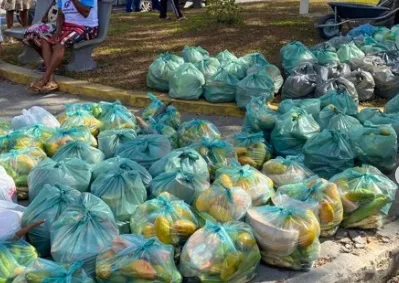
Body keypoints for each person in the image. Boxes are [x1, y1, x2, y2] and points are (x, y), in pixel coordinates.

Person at [28, 0, 99, 93]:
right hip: (67, 27)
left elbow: (85, 12)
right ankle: (51, 79)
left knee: (60, 44)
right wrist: (58, 30)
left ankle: (44, 79)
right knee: (45, 40)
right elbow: (61, 14)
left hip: (87, 27)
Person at [23, 0, 59, 72]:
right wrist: (46, 15)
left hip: (60, 24)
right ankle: (48, 61)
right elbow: (54, 3)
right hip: (51, 21)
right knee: (29, 33)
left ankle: (50, 63)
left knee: (36, 33)